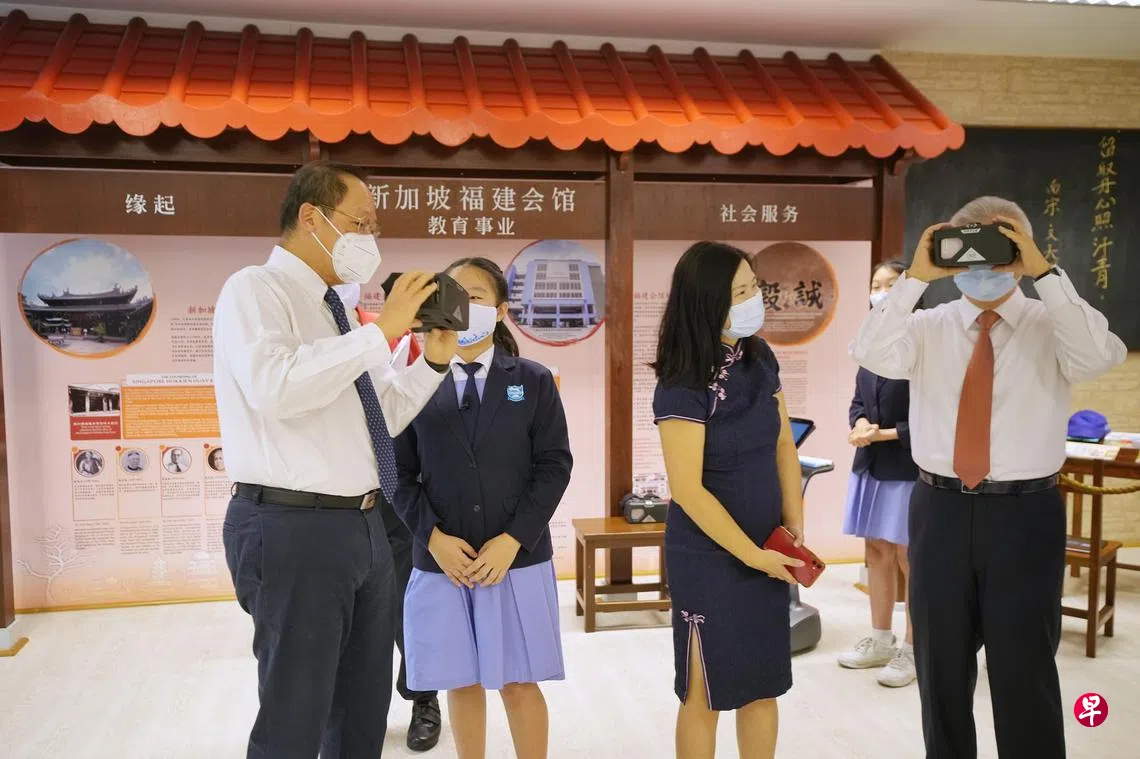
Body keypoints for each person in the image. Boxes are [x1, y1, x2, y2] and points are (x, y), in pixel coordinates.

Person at [850, 196, 1126, 759]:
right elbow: (870, 351)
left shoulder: (1054, 324)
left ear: (1024, 251)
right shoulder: (927, 326)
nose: (983, 263)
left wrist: (1045, 273)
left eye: (1001, 247)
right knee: (940, 668)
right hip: (939, 509)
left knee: (1025, 668)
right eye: (969, 246)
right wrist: (915, 278)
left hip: (1025, 514)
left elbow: (1099, 356)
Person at [214, 160, 457, 759]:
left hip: (364, 524)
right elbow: (276, 387)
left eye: (374, 228)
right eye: (361, 223)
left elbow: (383, 413)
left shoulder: (338, 310)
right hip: (290, 524)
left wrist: (433, 361)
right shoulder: (255, 290)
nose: (369, 240)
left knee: (361, 709)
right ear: (311, 218)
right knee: (295, 712)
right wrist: (380, 333)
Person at [392, 256, 572, 759]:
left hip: (515, 558)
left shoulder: (533, 380)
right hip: (444, 562)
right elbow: (397, 474)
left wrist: (513, 540)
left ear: (501, 310)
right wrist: (433, 539)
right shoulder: (414, 382)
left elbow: (554, 465)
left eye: (476, 296)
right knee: (461, 680)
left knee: (519, 681)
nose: (465, 307)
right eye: (455, 296)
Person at [651, 241, 805, 759]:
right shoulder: (681, 382)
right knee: (706, 693)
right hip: (710, 556)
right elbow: (687, 489)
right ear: (706, 302)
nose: (753, 299)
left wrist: (793, 526)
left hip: (768, 546)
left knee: (762, 686)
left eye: (753, 287)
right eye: (740, 292)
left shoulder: (760, 358)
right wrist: (753, 556)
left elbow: (783, 444)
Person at [334, 281, 441, 753]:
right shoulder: (321, 337)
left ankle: (424, 699)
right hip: (339, 494)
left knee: (408, 604)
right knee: (350, 616)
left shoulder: (395, 335)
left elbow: (417, 407)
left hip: (397, 490)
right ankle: (352, 715)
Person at [837, 260, 919, 688]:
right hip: (871, 464)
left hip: (908, 468)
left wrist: (883, 433)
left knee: (909, 557)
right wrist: (860, 423)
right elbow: (858, 401)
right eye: (876, 284)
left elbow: (936, 416)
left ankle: (914, 649)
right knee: (876, 552)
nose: (881, 292)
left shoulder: (924, 340)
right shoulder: (870, 342)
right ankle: (881, 639)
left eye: (891, 285)